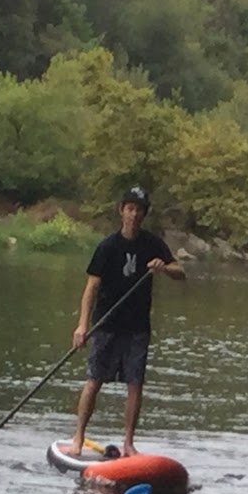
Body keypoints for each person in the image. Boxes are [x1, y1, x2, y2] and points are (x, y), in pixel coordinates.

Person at [60, 185, 184, 459]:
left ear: (144, 214)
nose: (134, 215)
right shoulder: (108, 246)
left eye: (139, 210)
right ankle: (78, 437)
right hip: (106, 324)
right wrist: (82, 326)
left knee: (135, 384)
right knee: (94, 380)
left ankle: (128, 443)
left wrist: (164, 268)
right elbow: (90, 288)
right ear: (121, 211)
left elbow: (180, 271)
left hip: (137, 327)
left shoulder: (152, 244)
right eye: (130, 209)